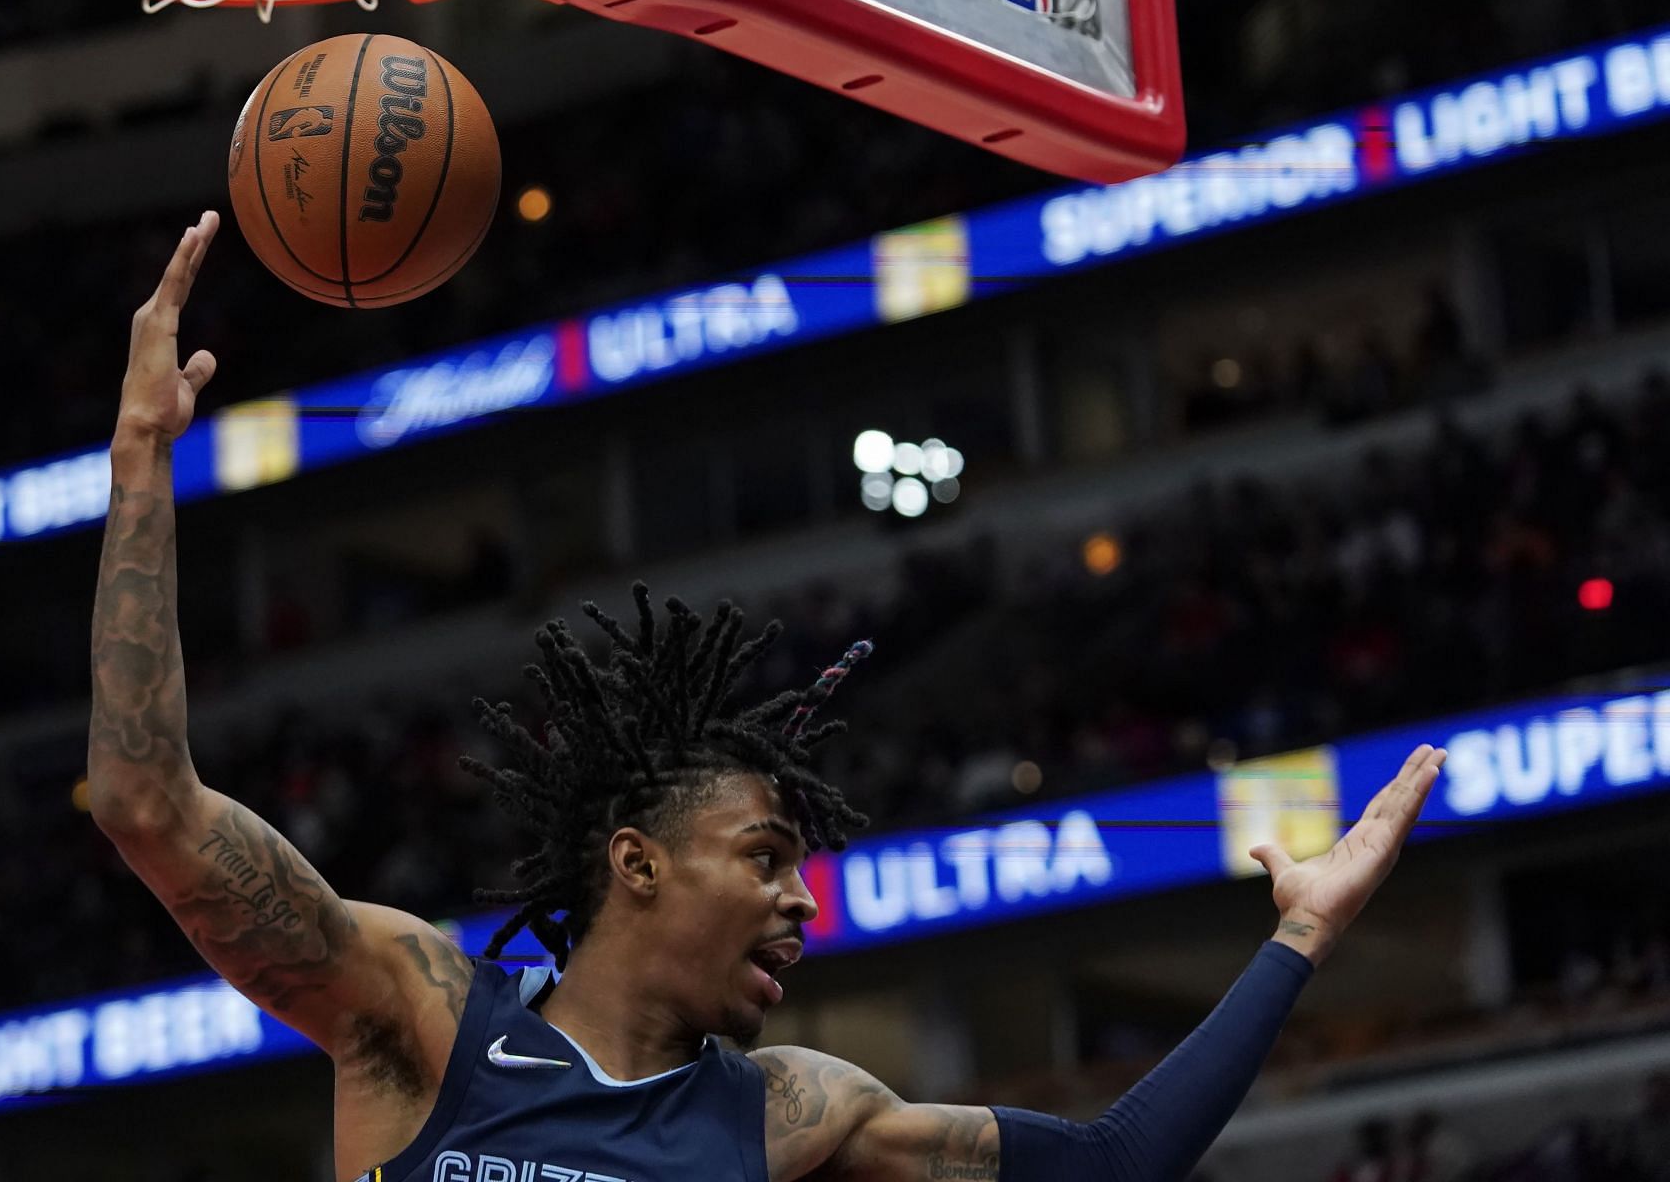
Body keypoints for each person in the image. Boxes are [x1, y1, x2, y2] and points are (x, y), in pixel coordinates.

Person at [90, 212, 1449, 1182]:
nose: (806, 901)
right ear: (636, 860)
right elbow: (147, 805)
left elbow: (1108, 1166)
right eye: (765, 857)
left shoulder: (798, 1114)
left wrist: (1300, 942)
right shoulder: (421, 1014)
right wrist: (143, 466)